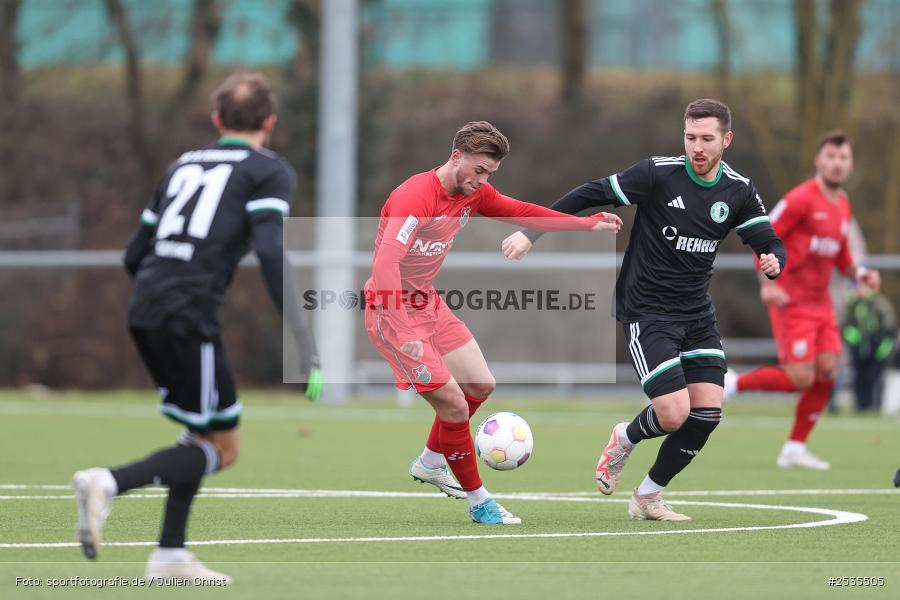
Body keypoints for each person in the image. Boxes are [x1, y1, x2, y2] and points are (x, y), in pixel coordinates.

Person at [70, 72, 322, 583]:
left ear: (216, 120)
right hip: (188, 315)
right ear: (269, 123)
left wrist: (167, 287)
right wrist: (303, 340)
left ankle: (169, 555)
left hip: (146, 309)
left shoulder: (183, 163)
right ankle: (108, 482)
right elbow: (272, 251)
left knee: (200, 428)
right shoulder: (267, 171)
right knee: (222, 448)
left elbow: (133, 255)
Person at [502, 99, 786, 521]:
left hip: (697, 315)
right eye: (690, 137)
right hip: (647, 311)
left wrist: (773, 259)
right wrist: (530, 234)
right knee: (674, 414)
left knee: (707, 413)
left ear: (726, 140)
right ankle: (625, 437)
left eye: (707, 138)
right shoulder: (658, 173)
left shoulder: (738, 190)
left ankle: (648, 496)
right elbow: (587, 193)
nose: (697, 147)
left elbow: (768, 238)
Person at [364, 121, 622, 525]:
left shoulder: (474, 194)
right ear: (456, 157)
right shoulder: (415, 196)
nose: (483, 181)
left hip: (428, 303)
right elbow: (385, 263)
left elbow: (523, 211)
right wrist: (403, 328)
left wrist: (585, 223)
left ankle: (431, 462)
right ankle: (480, 502)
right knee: (452, 403)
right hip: (391, 310)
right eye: (479, 171)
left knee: (480, 385)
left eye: (490, 175)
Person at [723, 131, 880, 470]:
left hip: (820, 303)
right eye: (831, 157)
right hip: (789, 297)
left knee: (827, 372)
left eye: (843, 158)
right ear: (818, 161)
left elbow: (840, 255)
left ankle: (794, 447)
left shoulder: (842, 205)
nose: (837, 164)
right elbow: (763, 234)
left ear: (850, 165)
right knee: (799, 378)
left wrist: (860, 273)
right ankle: (733, 383)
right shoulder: (800, 199)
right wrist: (766, 283)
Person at [841, 283, 895, 411]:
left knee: (875, 378)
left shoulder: (880, 303)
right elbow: (844, 324)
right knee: (859, 377)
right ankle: (860, 405)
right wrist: (852, 338)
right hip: (859, 348)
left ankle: (875, 405)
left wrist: (884, 346)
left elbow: (889, 327)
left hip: (876, 348)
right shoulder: (854, 304)